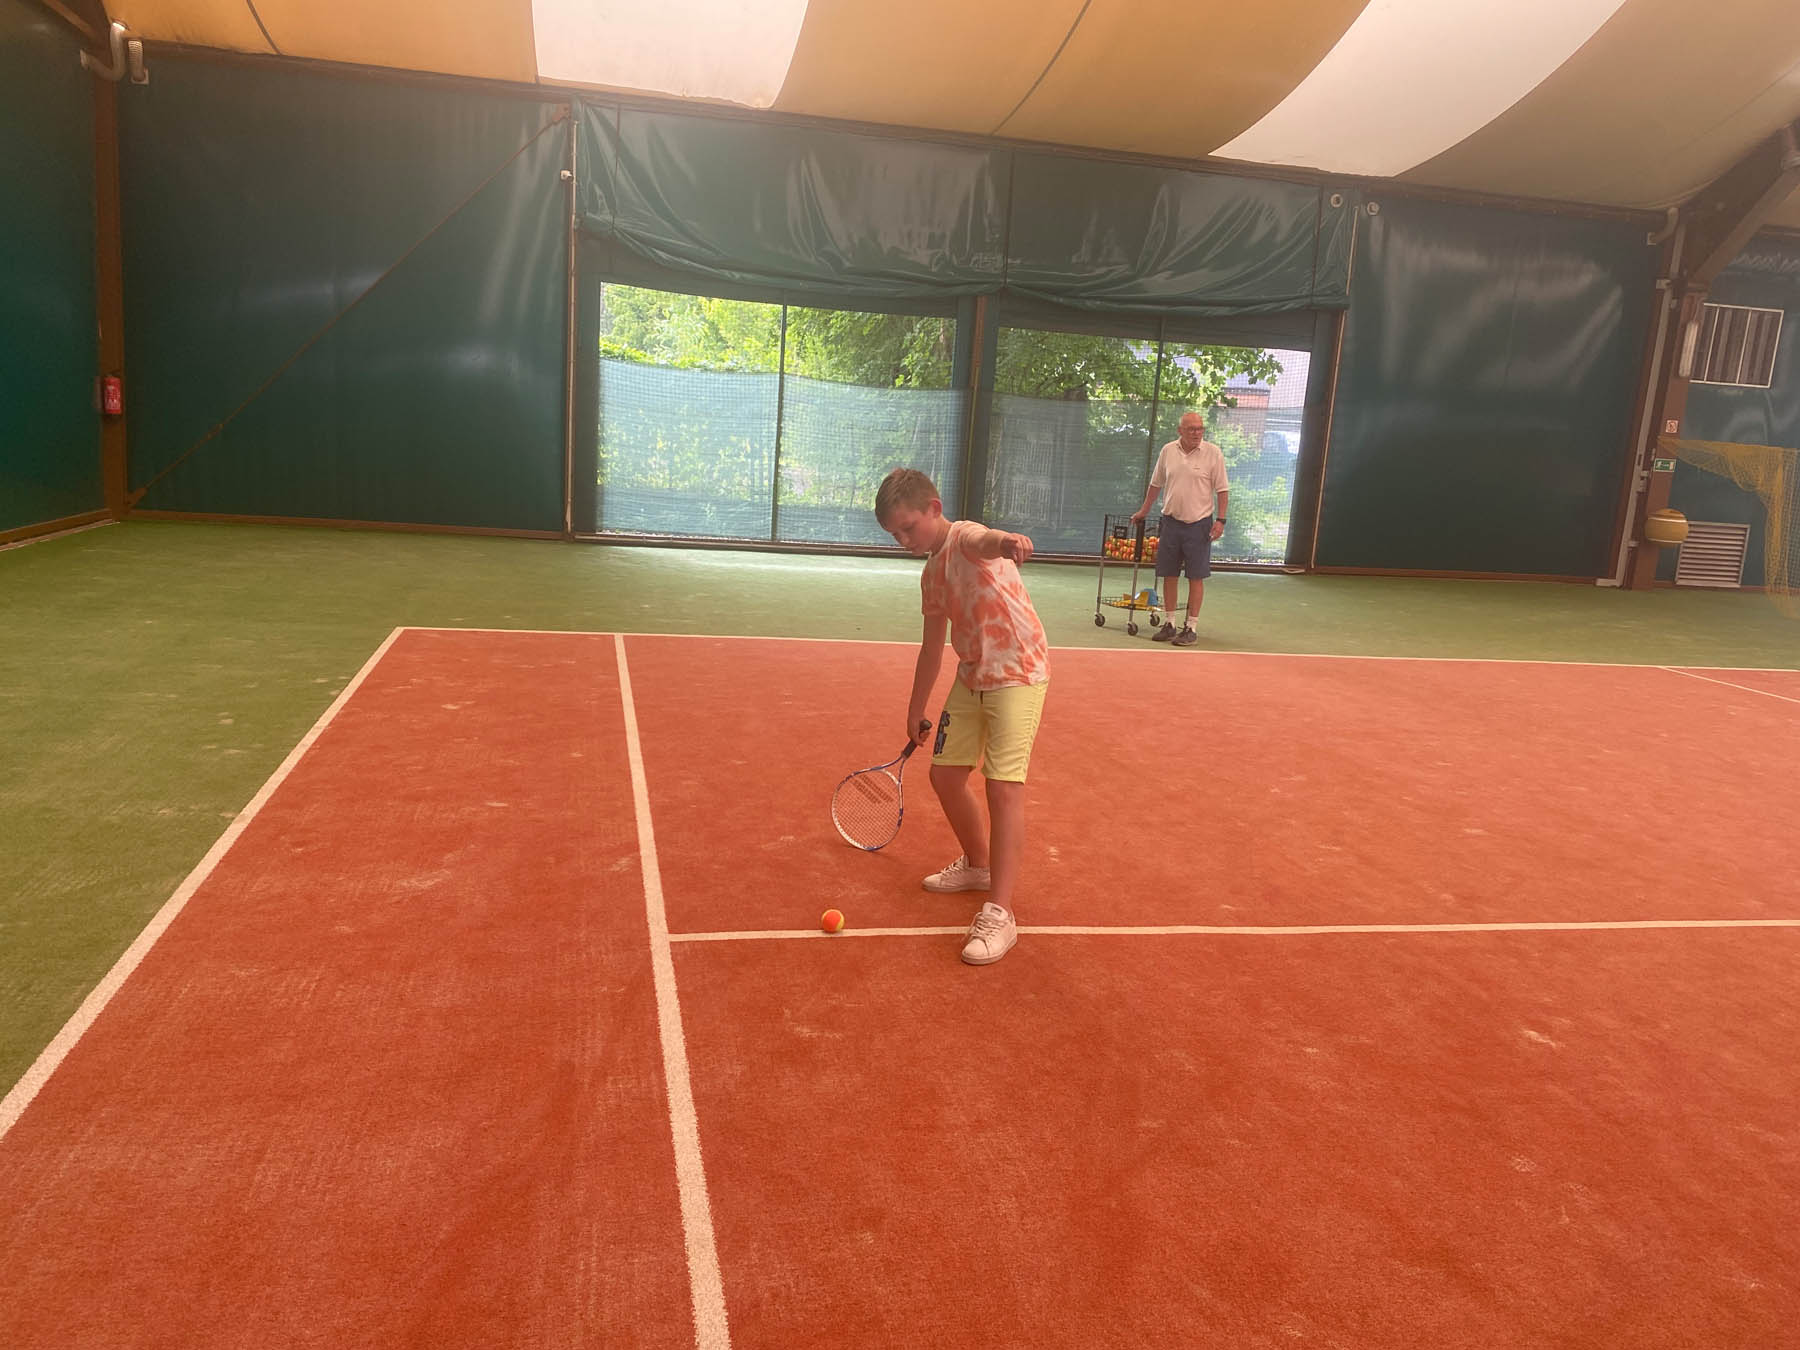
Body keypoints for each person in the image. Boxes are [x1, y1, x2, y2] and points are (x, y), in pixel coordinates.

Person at [874, 468, 1050, 966]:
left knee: (1003, 786)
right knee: (945, 775)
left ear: (934, 508)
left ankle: (1001, 912)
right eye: (894, 534)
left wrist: (1008, 540)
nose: (904, 541)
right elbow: (932, 648)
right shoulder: (931, 574)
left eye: (908, 527)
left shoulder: (966, 538)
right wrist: (915, 708)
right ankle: (978, 865)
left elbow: (986, 540)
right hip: (973, 674)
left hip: (1019, 671)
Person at [1131, 411, 1229, 646]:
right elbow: (1156, 484)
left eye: (1200, 428)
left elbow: (1222, 489)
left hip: (1200, 524)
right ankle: (1170, 623)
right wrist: (1143, 510)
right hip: (1171, 523)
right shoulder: (1168, 451)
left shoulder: (1213, 453)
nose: (1197, 433)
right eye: (1191, 429)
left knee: (1196, 576)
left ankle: (1191, 627)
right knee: (1169, 574)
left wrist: (1221, 520)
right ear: (1180, 431)